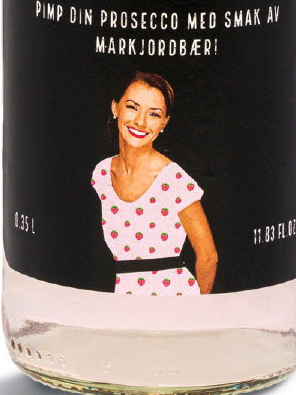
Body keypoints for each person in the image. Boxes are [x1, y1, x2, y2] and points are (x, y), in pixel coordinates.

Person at [91, 72, 217, 296]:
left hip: (175, 299)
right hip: (123, 296)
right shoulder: (101, 174)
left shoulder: (174, 180)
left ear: (164, 122)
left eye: (154, 114)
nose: (140, 122)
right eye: (132, 107)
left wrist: (198, 311)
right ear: (115, 107)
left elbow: (208, 257)